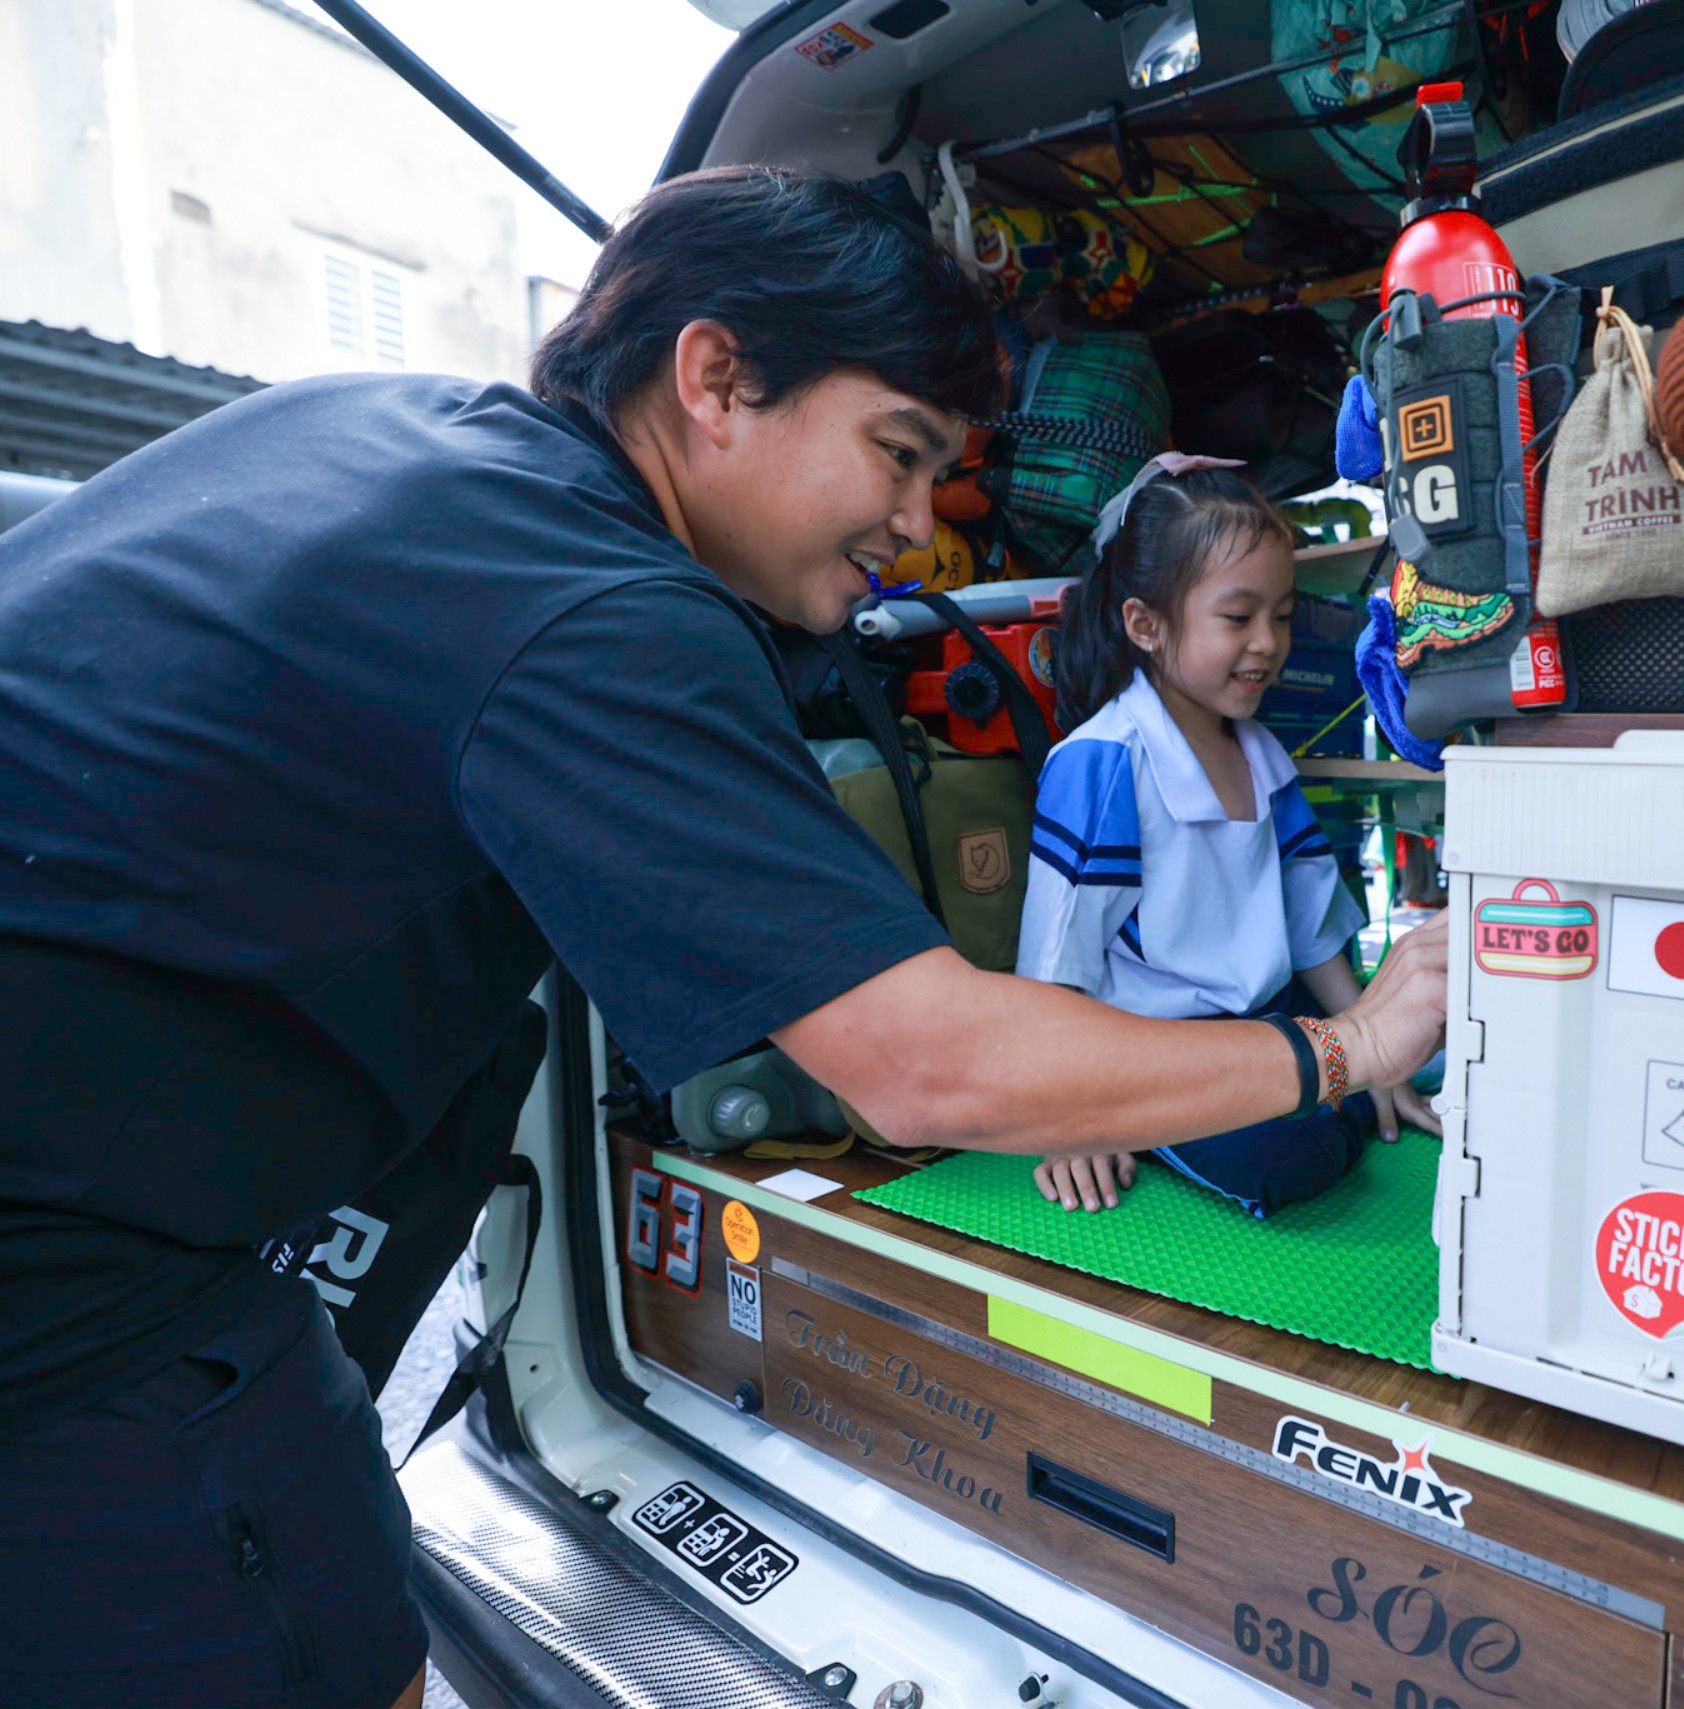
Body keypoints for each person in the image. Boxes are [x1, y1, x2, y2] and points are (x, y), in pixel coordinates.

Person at [0, 165, 1446, 1709]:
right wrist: (1347, 1046)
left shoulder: (397, 440)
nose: (914, 523)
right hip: (71, 1274)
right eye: (896, 455)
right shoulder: (596, 604)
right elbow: (917, 1067)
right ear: (715, 377)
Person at [1019, 457, 1442, 1216]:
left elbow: (1312, 931)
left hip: (1262, 1032)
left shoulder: (1264, 756)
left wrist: (1378, 1056)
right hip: (1148, 1053)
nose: (1268, 643)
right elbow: (1056, 966)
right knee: (1285, 1158)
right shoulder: (1101, 763)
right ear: (1145, 624)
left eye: (1281, 616)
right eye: (1238, 617)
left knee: (1381, 1082)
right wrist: (1066, 1116)